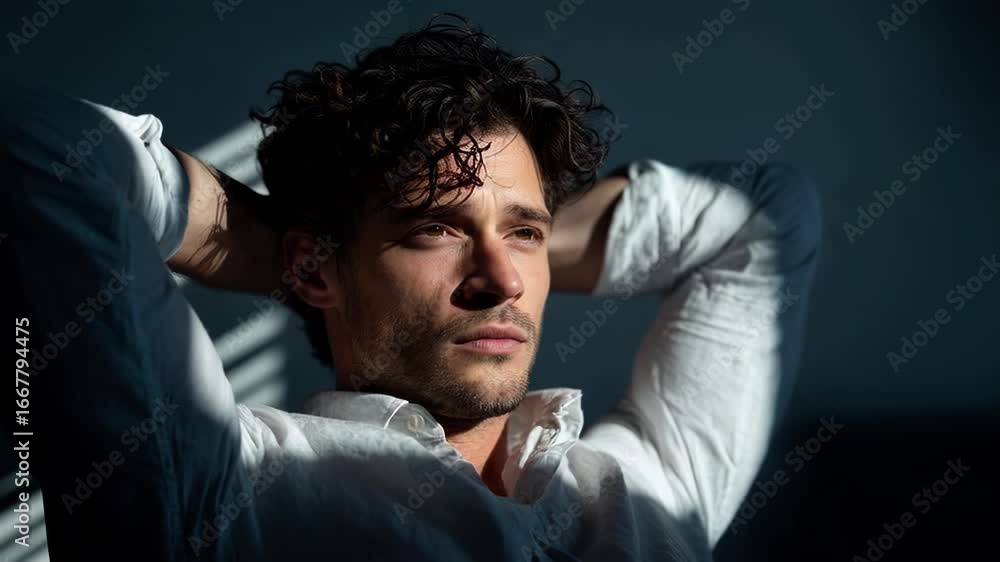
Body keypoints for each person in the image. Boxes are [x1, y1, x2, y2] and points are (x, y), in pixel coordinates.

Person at [1, 12, 821, 562]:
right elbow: (50, 152)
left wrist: (496, 231)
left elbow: (766, 214)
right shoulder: (227, 491)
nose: (504, 281)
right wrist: (299, 252)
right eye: (434, 229)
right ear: (315, 268)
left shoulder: (642, 493)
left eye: (527, 236)